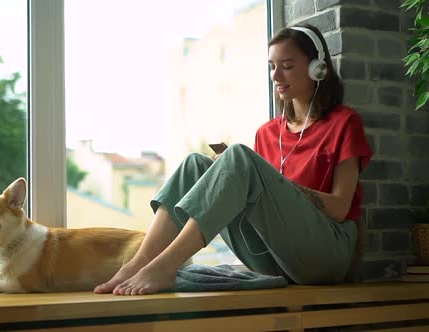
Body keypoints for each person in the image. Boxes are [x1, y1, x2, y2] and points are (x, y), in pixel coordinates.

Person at [94, 24, 373, 296]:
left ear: (317, 68)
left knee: (239, 156)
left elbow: (339, 208)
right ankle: (139, 263)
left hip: (325, 255)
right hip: (272, 259)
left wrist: (281, 186)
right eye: (272, 66)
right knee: (196, 164)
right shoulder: (267, 133)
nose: (276, 76)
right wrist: (228, 174)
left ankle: (166, 265)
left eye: (287, 66)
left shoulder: (343, 123)